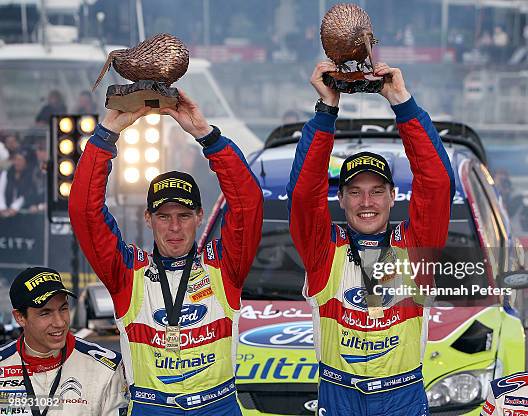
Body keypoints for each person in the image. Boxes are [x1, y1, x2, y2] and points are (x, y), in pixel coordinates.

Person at [68, 90, 263, 415]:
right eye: (164, 216)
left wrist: (206, 135)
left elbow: (248, 203)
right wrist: (106, 135)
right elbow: (85, 213)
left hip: (217, 406)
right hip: (151, 407)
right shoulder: (127, 273)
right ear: (148, 219)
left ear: (200, 216)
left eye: (184, 215)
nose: (174, 227)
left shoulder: (224, 266)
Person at [287, 61, 455, 415]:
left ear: (394, 197)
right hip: (338, 395)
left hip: (402, 396)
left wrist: (401, 102)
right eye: (356, 192)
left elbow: (437, 184)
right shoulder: (323, 250)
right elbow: (303, 195)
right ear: (341, 199)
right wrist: (326, 111)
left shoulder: (415, 246)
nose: (366, 202)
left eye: (377, 191)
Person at [0, 267, 128, 415]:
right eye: (45, 313)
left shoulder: (107, 369)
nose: (60, 322)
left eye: (63, 309)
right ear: (20, 317)